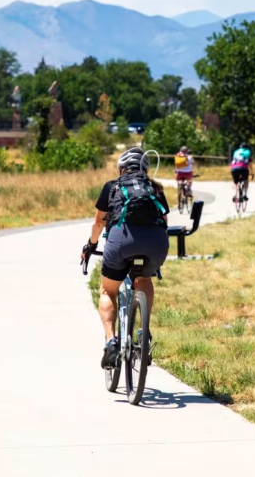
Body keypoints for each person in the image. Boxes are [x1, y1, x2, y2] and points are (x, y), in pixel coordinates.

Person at [81, 147, 170, 369]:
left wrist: (91, 245)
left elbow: (99, 223)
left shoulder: (112, 186)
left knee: (108, 291)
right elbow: (165, 220)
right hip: (156, 243)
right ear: (145, 169)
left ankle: (112, 342)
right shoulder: (155, 188)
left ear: (121, 169)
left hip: (122, 241)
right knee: (144, 280)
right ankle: (144, 333)